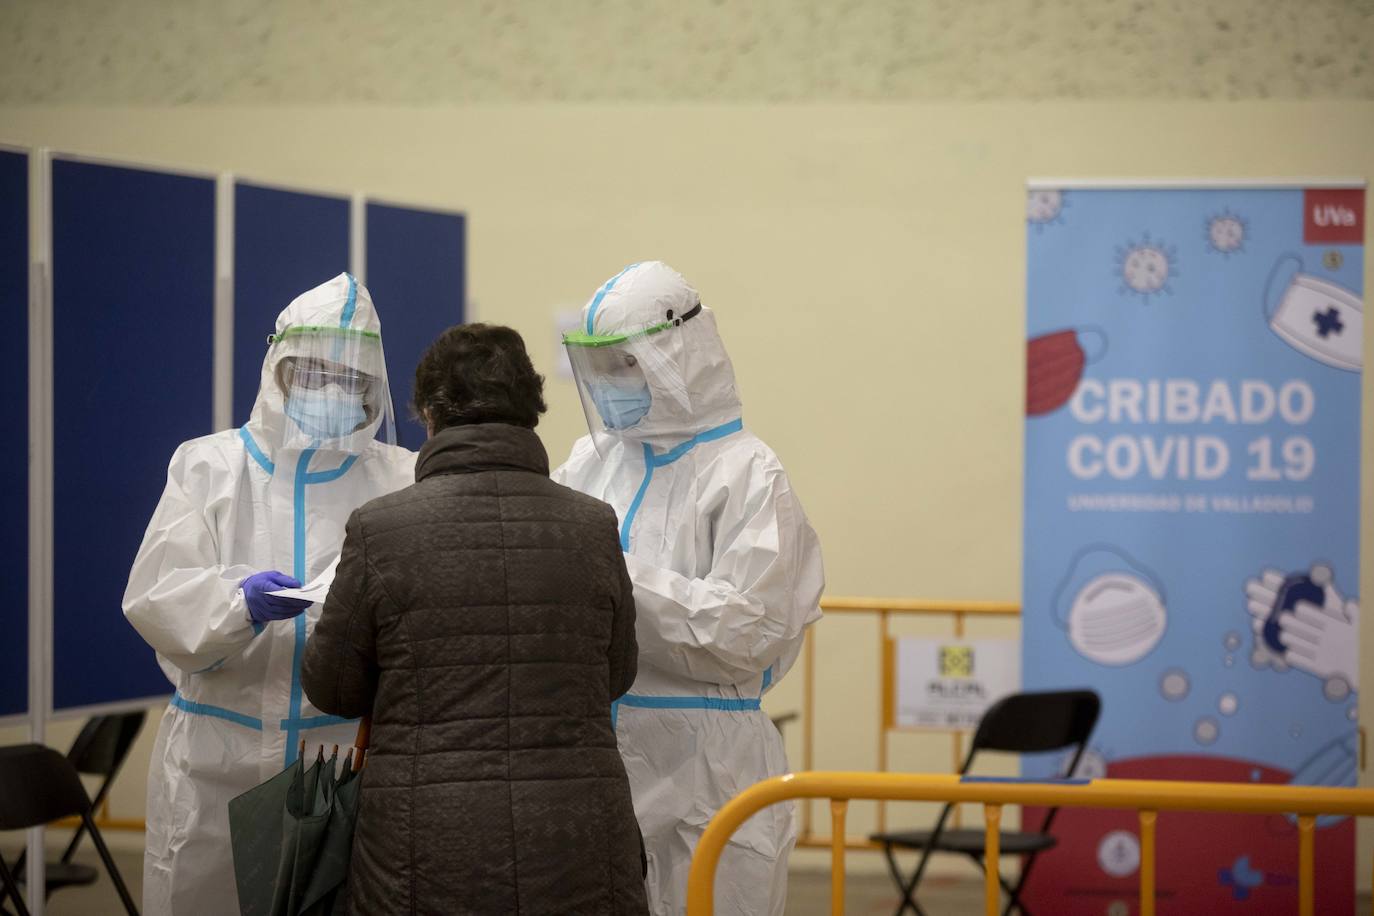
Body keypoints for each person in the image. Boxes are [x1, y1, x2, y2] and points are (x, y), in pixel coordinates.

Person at [302, 323, 648, 915]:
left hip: (425, 842)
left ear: (429, 414)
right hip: (577, 838)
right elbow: (616, 674)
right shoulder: (593, 525)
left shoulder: (379, 529)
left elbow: (332, 687)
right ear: (531, 412)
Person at [122, 273, 415, 915]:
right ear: (278, 368)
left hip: (339, 763)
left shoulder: (398, 477)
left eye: (352, 379)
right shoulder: (210, 466)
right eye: (315, 373)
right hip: (214, 762)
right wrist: (237, 603)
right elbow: (154, 594)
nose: (334, 392)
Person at [553, 261, 825, 915]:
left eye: (626, 365)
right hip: (599, 758)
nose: (611, 387)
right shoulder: (592, 464)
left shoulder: (747, 474)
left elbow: (745, 633)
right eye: (600, 369)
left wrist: (617, 574)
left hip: (710, 769)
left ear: (678, 356)